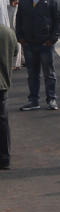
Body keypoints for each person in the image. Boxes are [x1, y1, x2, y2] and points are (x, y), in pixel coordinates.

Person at [15, 0, 60, 111]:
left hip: (46, 44)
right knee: (32, 74)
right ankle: (33, 101)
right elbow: (19, 20)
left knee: (49, 73)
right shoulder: (24, 0)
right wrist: (20, 37)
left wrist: (53, 39)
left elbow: (59, 21)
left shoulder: (53, 0)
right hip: (29, 44)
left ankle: (52, 99)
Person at [0, 24, 13, 169]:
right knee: (3, 122)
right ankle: (5, 159)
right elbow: (15, 50)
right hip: (3, 83)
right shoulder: (7, 32)